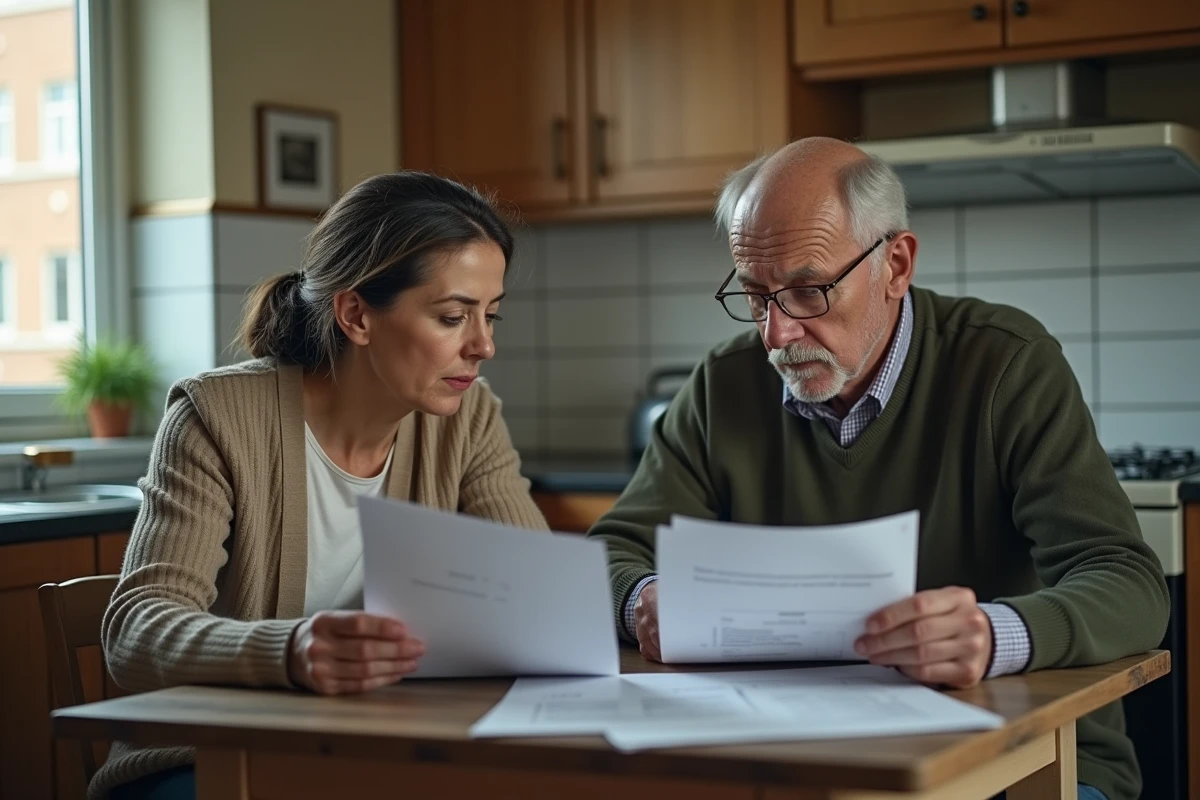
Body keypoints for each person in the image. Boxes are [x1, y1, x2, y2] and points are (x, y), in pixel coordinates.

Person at [585, 138, 1168, 800]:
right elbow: (609, 554)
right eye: (754, 294)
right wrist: (641, 603)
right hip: (797, 757)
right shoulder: (723, 385)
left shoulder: (1008, 366)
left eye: (807, 291)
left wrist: (995, 634)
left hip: (1032, 760)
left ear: (895, 265)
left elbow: (1130, 585)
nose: (776, 334)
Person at [95, 172, 548, 800]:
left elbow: (538, 596)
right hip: (211, 758)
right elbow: (135, 632)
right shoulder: (216, 418)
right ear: (357, 314)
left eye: (490, 316)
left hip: (384, 748)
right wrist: (291, 650)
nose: (484, 346)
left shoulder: (468, 419)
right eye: (453, 317)